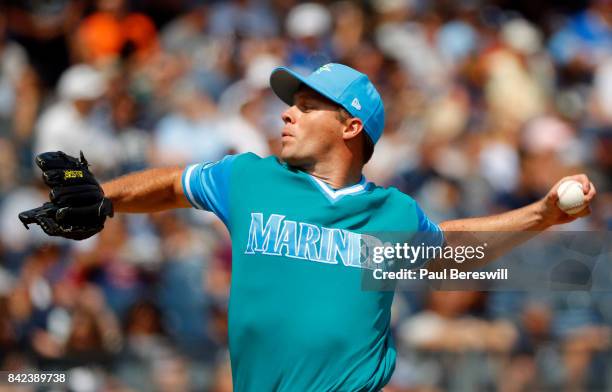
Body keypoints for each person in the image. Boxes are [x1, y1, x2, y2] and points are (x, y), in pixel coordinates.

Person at [43, 63, 598, 391]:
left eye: (307, 106)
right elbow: (172, 185)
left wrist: (542, 214)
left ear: (350, 125)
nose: (287, 113)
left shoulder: (391, 215)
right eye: (291, 105)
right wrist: (105, 198)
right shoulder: (250, 179)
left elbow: (454, 251)